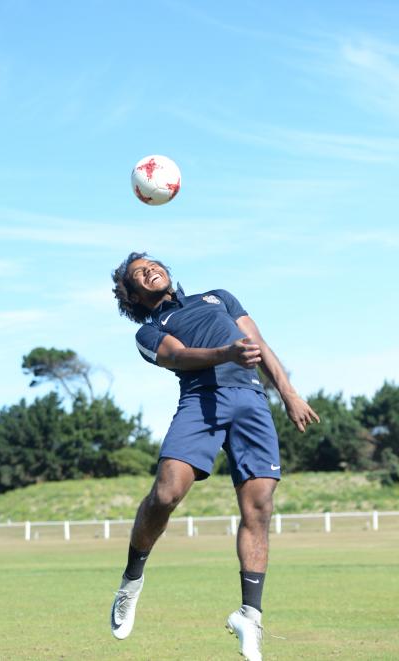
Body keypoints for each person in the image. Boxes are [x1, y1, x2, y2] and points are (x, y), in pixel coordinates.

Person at [109, 252, 319, 661]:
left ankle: (249, 616)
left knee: (258, 509)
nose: (150, 270)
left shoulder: (218, 297)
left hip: (251, 402)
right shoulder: (149, 331)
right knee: (167, 494)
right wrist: (226, 353)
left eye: (152, 264)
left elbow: (258, 345)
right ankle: (132, 579)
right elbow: (176, 357)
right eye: (138, 273)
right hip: (200, 401)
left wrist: (288, 393)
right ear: (132, 295)